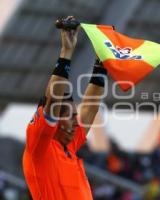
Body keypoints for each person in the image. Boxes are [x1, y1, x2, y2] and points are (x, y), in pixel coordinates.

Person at [22, 16, 107, 200]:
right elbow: (52, 100)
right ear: (54, 120)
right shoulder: (40, 146)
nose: (77, 123)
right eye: (71, 117)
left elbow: (90, 107)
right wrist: (66, 52)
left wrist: (103, 61)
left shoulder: (68, 145)